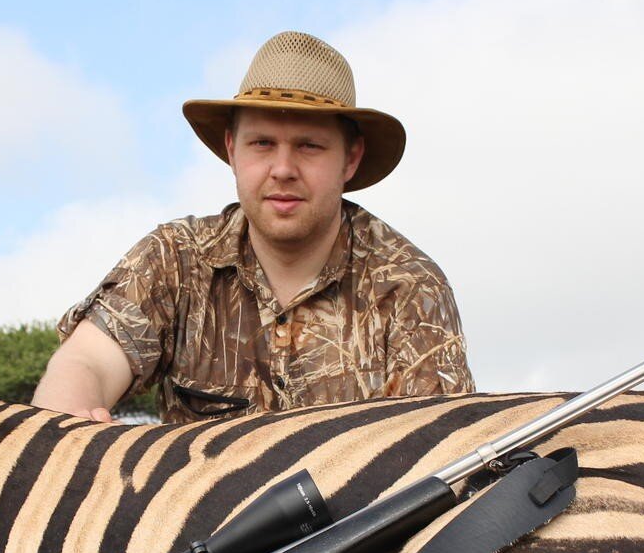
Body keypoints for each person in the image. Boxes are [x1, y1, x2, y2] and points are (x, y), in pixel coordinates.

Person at [32, 31, 473, 424]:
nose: (282, 169)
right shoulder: (174, 259)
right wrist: (67, 422)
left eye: (309, 146)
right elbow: (86, 361)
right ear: (232, 150)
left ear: (350, 158)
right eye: (262, 143)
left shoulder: (409, 285)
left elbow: (440, 444)